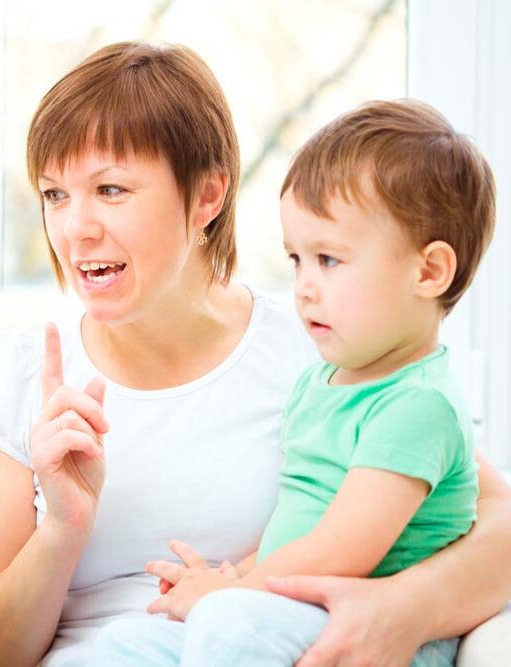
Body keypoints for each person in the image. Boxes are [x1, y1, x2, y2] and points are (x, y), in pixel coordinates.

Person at [0, 42, 511, 667]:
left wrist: (406, 610)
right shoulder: (21, 376)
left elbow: (489, 517)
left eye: (110, 189)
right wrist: (62, 527)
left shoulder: (324, 347)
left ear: (208, 196)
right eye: (54, 194)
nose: (75, 228)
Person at [87, 99, 494, 665]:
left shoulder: (417, 405)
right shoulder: (321, 381)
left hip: (364, 629)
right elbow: (297, 525)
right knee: (125, 643)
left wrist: (232, 593)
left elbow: (345, 548)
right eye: (297, 259)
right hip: (288, 608)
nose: (303, 286)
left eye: (329, 260)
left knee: (227, 625)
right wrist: (236, 571)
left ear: (428, 272)